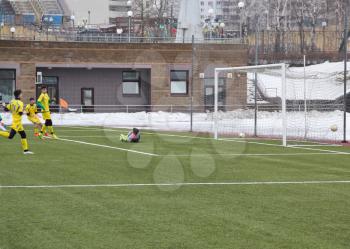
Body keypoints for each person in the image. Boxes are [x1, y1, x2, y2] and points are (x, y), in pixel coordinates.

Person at [0, 90, 34, 154]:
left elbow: (6, 109)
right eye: (21, 94)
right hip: (17, 122)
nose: (22, 95)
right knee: (10, 136)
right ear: (19, 95)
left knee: (23, 134)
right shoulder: (20, 103)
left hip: (17, 122)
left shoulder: (12, 101)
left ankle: (26, 151)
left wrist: (4, 105)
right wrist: (25, 112)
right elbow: (20, 113)